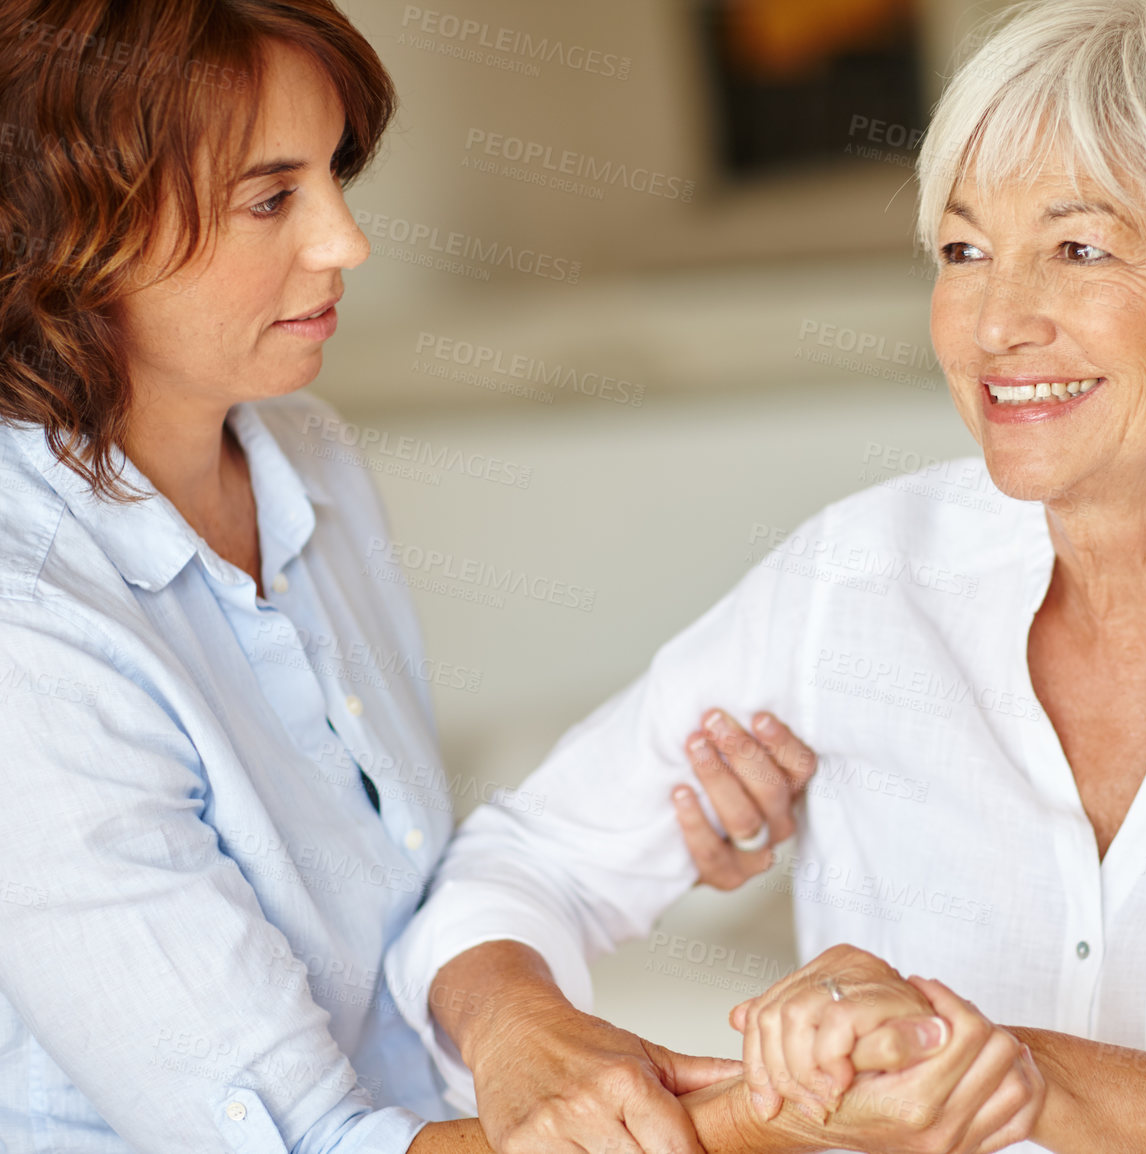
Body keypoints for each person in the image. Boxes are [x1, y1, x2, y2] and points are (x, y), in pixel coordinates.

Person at [388, 1, 1146, 1152]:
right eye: (963, 250)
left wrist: (995, 1064)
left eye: (1078, 248)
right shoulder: (859, 578)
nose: (995, 323)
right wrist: (522, 1031)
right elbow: (524, 861)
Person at [0, 3, 761, 1150]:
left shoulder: (306, 454)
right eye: (271, 199)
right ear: (68, 228)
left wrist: (524, 993)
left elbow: (394, 893)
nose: (346, 242)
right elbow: (305, 1139)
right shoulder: (30, 630)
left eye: (332, 176)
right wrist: (783, 1112)